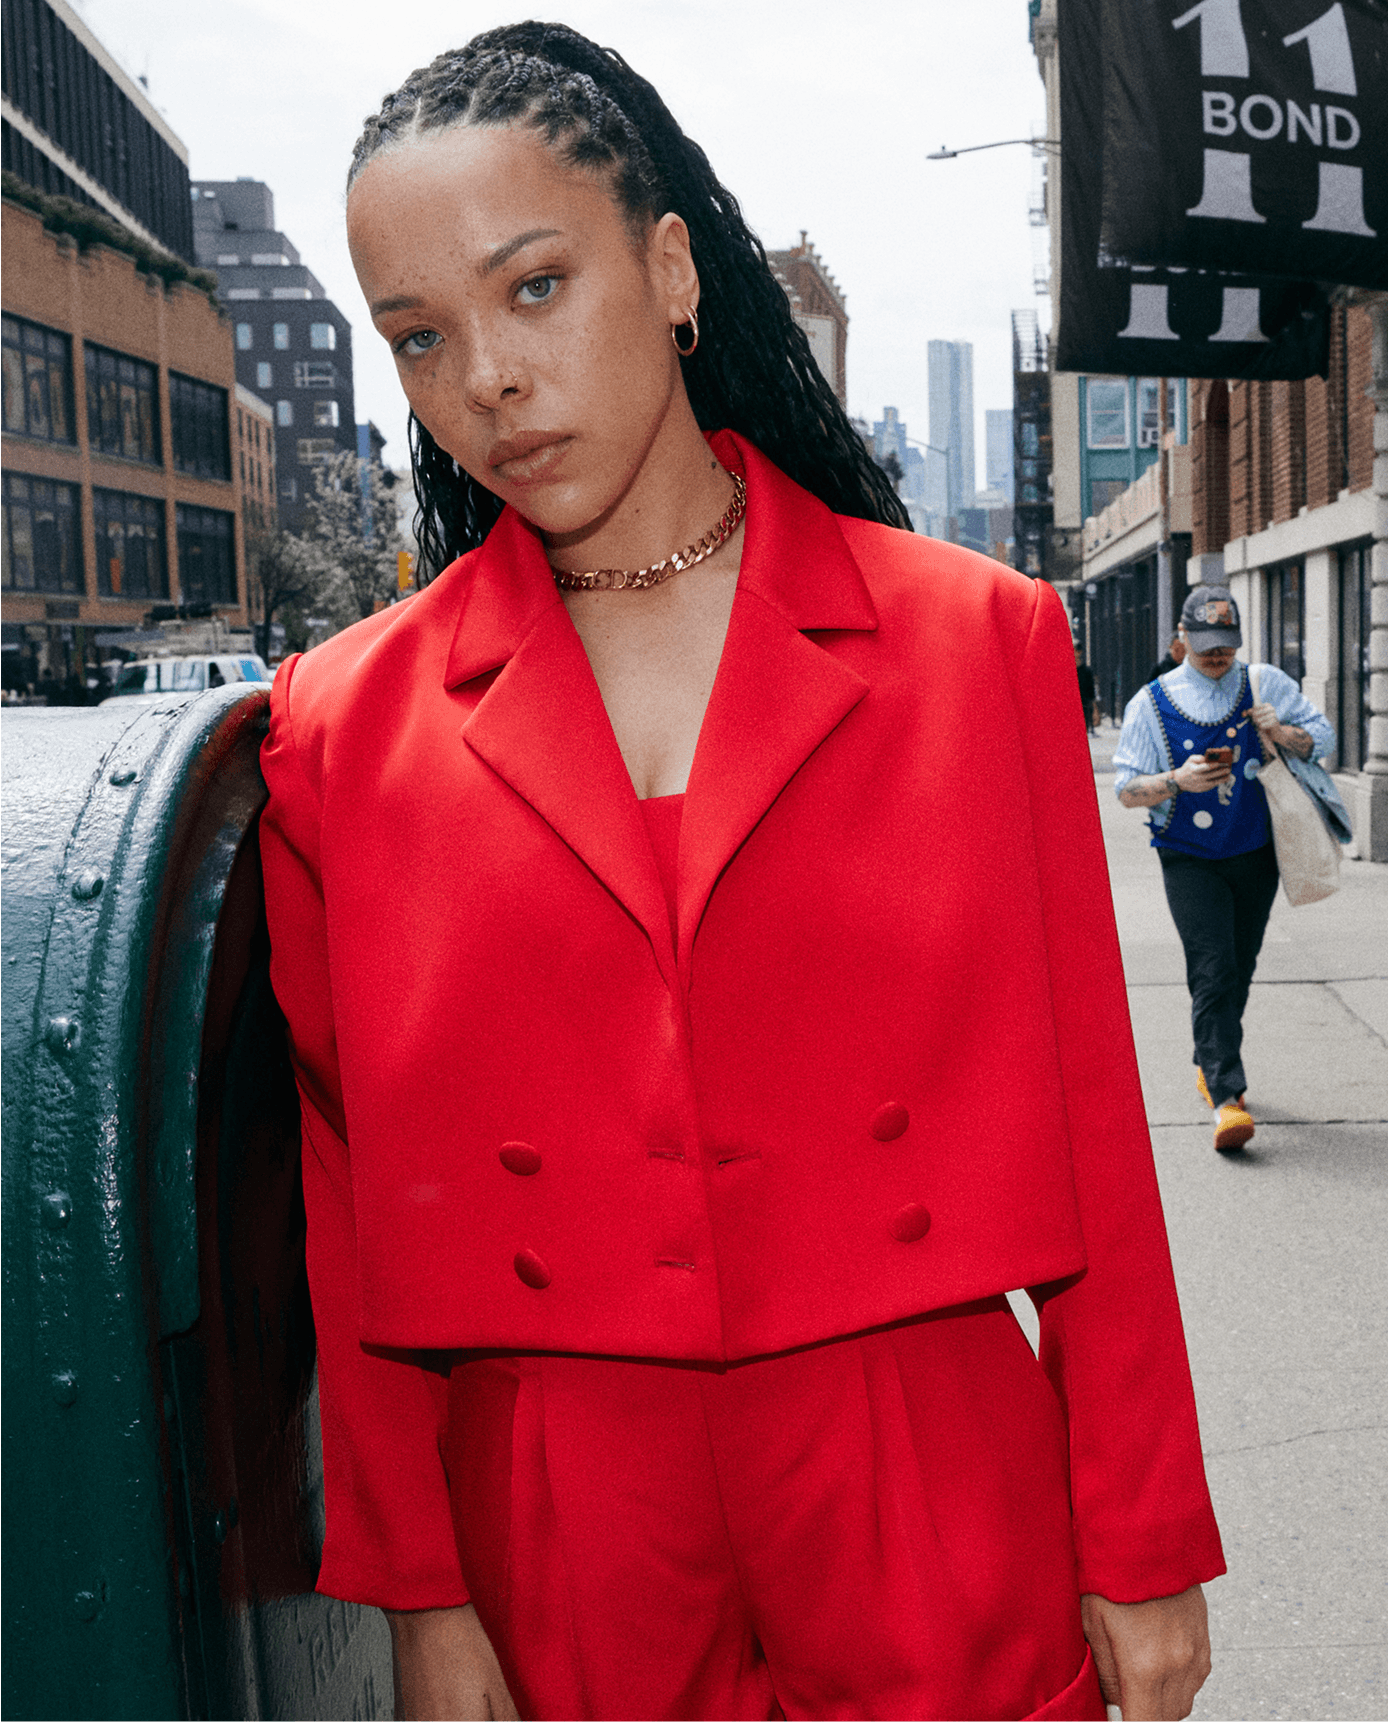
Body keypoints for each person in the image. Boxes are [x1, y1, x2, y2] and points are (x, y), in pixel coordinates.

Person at [259, 23, 1223, 1722]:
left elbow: (1088, 1117)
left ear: (670, 265)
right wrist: (422, 1591)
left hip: (917, 1445)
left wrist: (1138, 1530)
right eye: (419, 336)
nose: (483, 376)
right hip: (556, 1494)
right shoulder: (339, 728)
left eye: (533, 289)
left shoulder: (969, 642)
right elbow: (348, 1200)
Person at [1114, 586, 1334, 1152]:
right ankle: (1226, 1097)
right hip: (1187, 854)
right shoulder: (1151, 702)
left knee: (1238, 966)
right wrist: (1175, 781)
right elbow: (1127, 791)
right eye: (1207, 645)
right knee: (1211, 966)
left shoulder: (1264, 683)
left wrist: (1280, 732)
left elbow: (1324, 739)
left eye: (1227, 646)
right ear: (1183, 637)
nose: (1218, 656)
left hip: (1255, 851)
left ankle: (1207, 1058)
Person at [1074, 642, 1098, 732]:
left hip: (1083, 710)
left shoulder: (1087, 672)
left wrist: (1095, 711)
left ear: (1079, 652)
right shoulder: (1063, 671)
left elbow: (1091, 692)